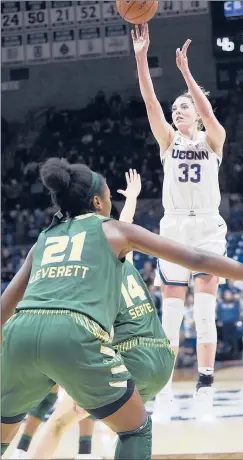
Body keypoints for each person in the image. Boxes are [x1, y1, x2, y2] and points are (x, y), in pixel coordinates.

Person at [1, 158, 243, 459]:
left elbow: (5, 307)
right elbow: (197, 259)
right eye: (109, 195)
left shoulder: (44, 239)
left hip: (19, 333)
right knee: (136, 429)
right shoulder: (114, 230)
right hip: (75, 333)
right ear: (97, 202)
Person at [28, 168, 174, 459]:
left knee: (58, 422)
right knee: (121, 425)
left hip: (129, 356)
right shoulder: (121, 247)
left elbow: (98, 325)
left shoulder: (88, 268)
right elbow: (126, 222)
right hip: (161, 357)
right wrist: (131, 197)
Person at [132, 22, 228, 417]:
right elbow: (151, 103)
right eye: (177, 108)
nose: (177, 110)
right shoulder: (168, 141)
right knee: (170, 315)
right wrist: (141, 58)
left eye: (184, 106)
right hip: (173, 227)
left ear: (198, 114)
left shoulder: (214, 139)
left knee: (204, 313)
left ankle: (205, 381)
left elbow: (205, 108)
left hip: (207, 227)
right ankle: (165, 384)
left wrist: (187, 75)